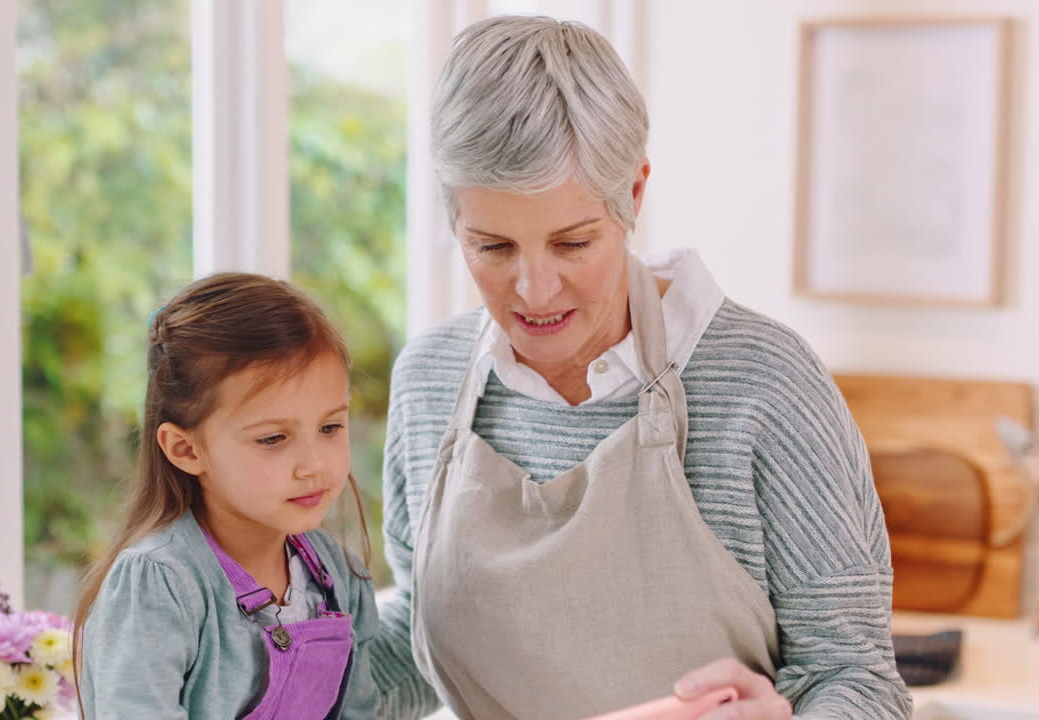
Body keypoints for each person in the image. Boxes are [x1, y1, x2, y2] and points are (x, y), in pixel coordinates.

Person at [367, 15, 912, 720]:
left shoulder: (763, 385)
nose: (535, 290)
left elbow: (857, 680)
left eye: (572, 243)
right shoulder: (430, 380)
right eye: (493, 247)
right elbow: (417, 640)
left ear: (634, 193)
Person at [74, 273, 379, 719]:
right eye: (273, 438)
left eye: (330, 427)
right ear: (186, 450)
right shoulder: (159, 584)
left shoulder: (339, 575)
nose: (313, 465)